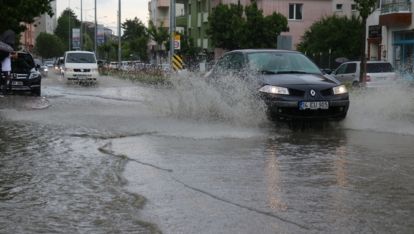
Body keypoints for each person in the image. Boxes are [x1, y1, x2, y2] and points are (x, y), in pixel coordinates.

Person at [0, 29, 16, 96]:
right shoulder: (7, 53)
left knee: (9, 80)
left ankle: (10, 91)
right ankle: (3, 93)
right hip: (7, 69)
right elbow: (14, 56)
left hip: (4, 69)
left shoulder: (4, 54)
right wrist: (14, 53)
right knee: (8, 81)